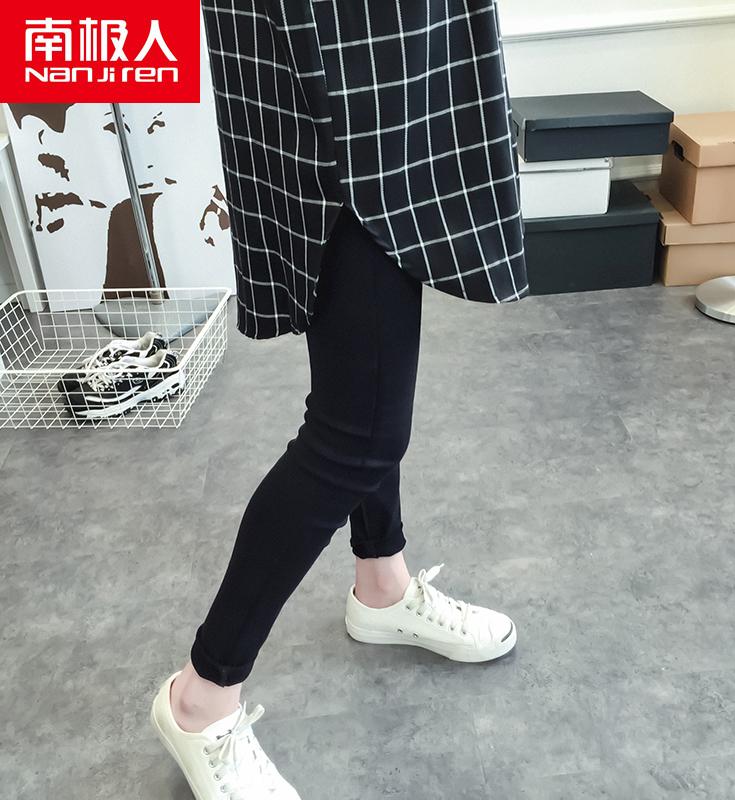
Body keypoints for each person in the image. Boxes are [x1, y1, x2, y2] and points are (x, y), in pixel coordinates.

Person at [150, 2, 529, 797]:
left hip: (392, 36)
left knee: (363, 371)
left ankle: (381, 583)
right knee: (358, 433)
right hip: (343, 35)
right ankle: (200, 696)